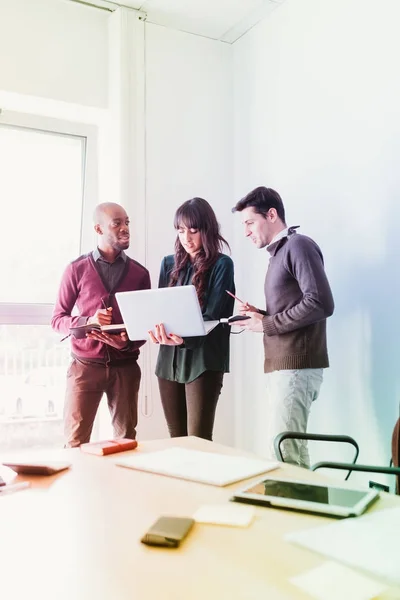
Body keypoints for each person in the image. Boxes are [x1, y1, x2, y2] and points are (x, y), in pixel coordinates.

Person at [232, 186, 334, 467]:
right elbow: (294, 306)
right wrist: (261, 314)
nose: (246, 231)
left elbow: (321, 303)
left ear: (272, 214)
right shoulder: (279, 253)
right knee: (292, 451)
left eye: (250, 222)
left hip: (296, 367)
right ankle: (309, 510)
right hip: (285, 365)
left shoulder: (298, 245)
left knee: (285, 452)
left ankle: (296, 510)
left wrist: (266, 323)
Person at [51, 202, 151, 448]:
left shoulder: (140, 274)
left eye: (127, 222)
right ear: (98, 229)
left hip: (125, 368)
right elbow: (57, 319)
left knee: (126, 442)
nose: (125, 228)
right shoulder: (76, 269)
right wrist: (88, 322)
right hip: (84, 369)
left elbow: (145, 325)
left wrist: (126, 341)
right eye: (117, 223)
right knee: (75, 442)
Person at [148, 197, 235, 441]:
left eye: (193, 230)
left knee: (199, 441)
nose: (186, 237)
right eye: (181, 230)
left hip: (203, 361)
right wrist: (157, 329)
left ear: (207, 230)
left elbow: (213, 316)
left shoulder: (222, 265)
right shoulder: (168, 264)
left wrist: (183, 339)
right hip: (168, 361)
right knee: (176, 439)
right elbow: (160, 310)